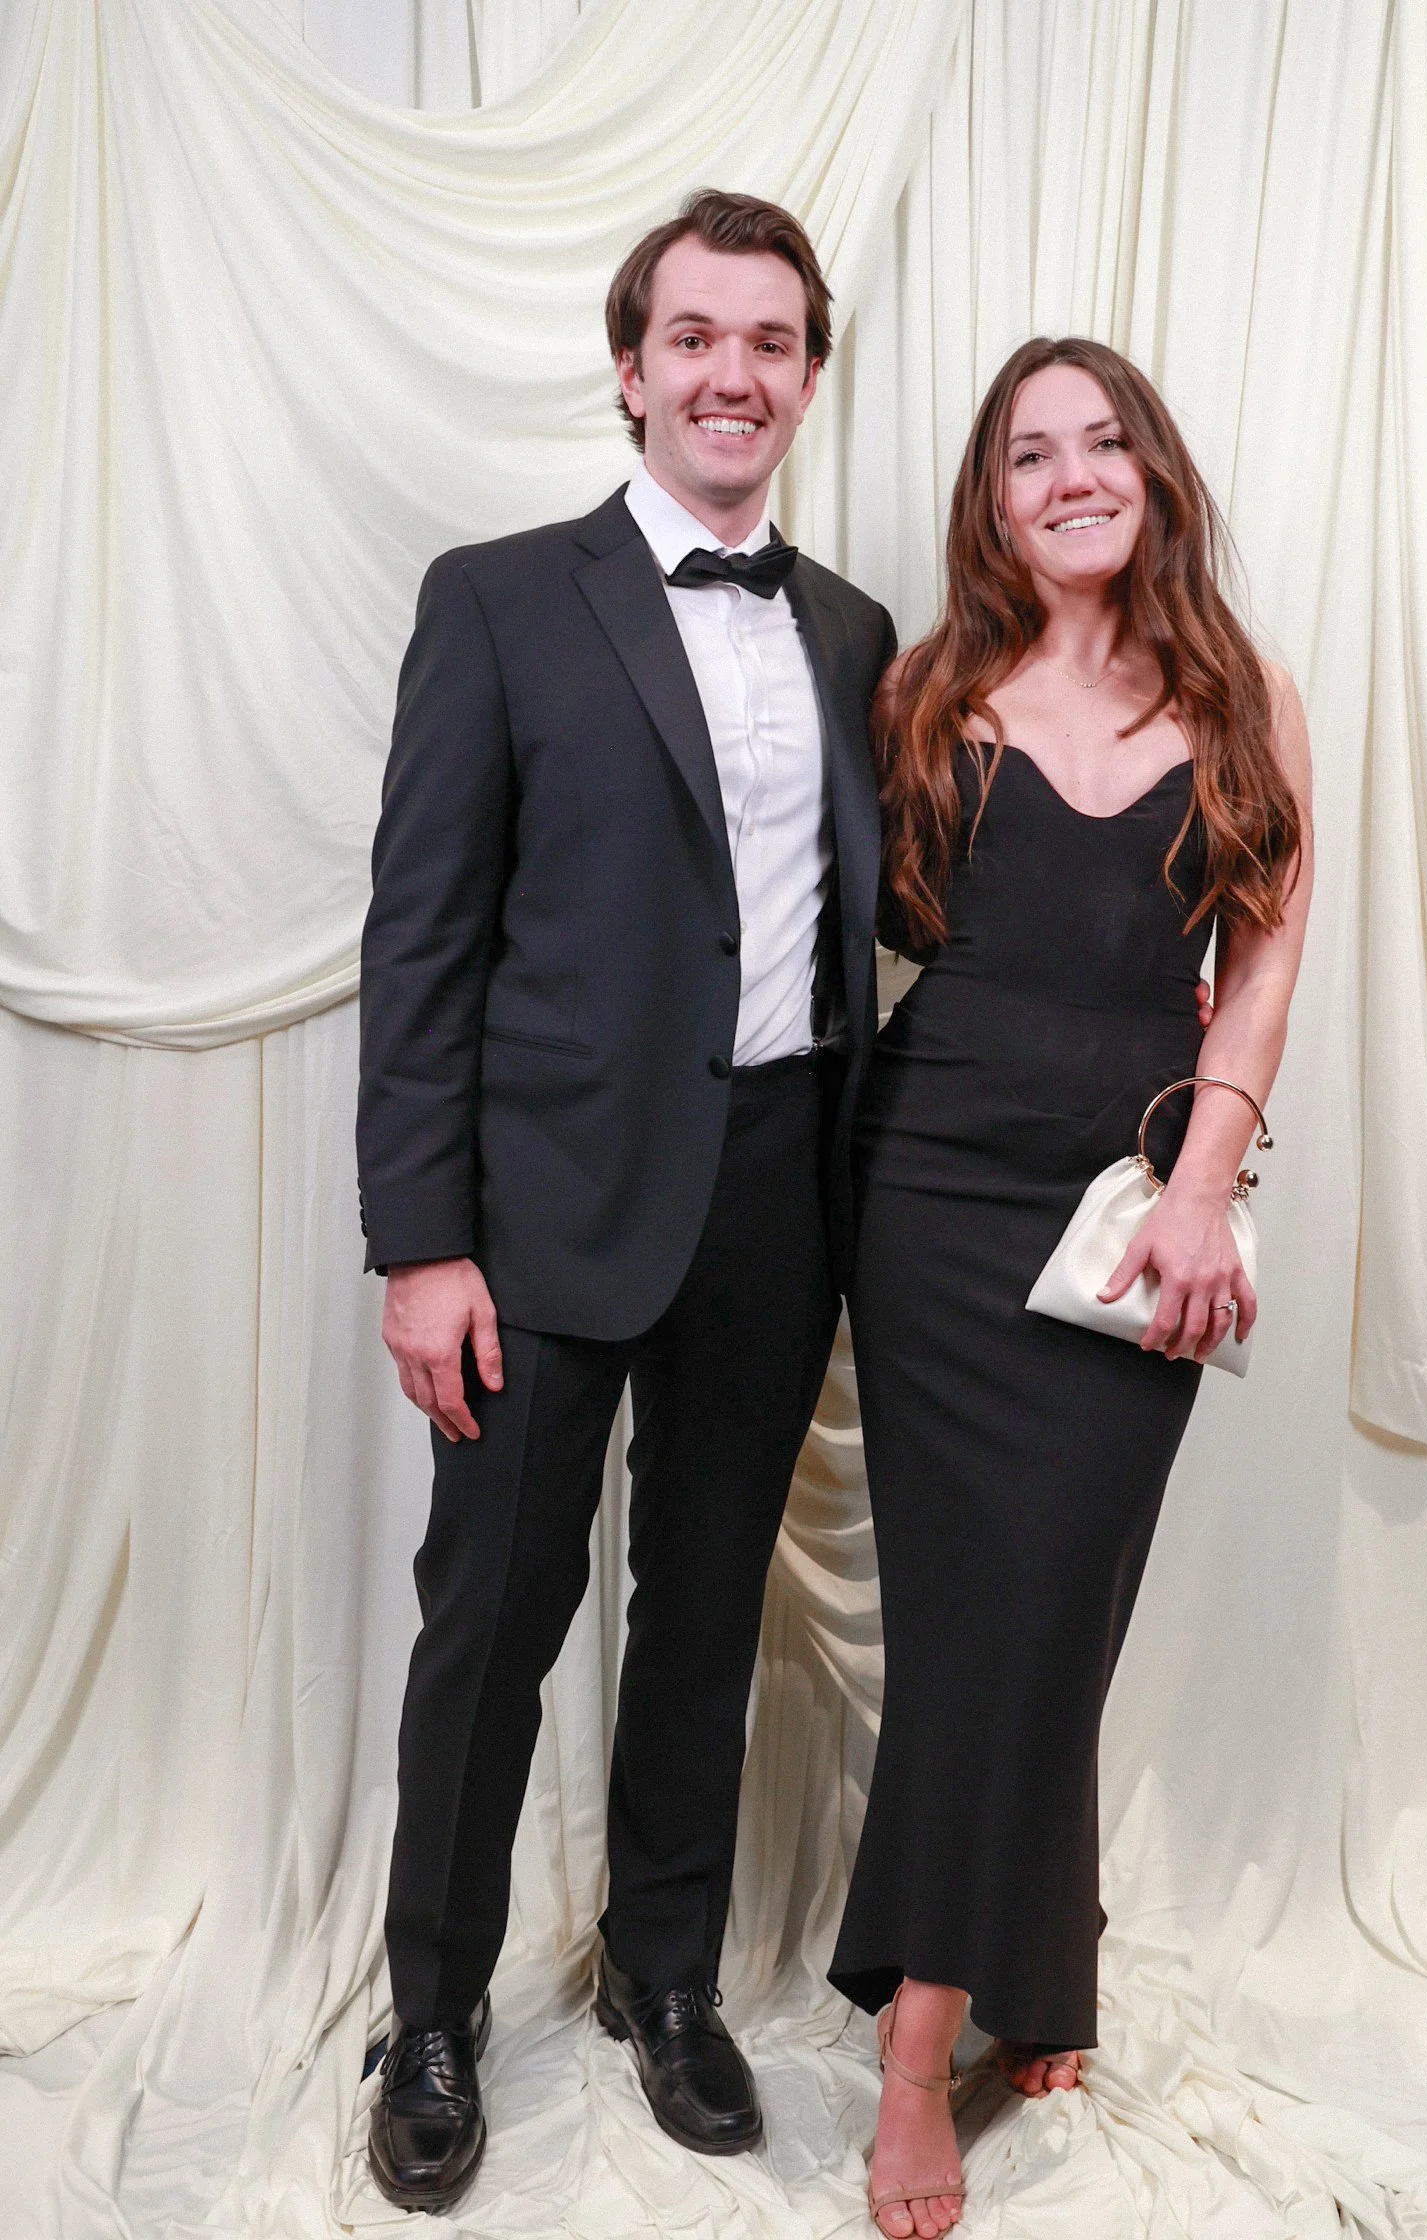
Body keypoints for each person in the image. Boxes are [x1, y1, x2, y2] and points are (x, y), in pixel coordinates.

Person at [355, 189, 896, 2214]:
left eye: (768, 341)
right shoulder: (497, 600)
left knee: (699, 1624)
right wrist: (421, 1238)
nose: (730, 373)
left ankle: (661, 1978)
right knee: (487, 1625)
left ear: (807, 376)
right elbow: (422, 941)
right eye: (693, 337)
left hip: (775, 1199)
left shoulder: (850, 630)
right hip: (535, 1212)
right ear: (630, 363)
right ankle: (426, 2010)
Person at [828, 336, 1313, 2238]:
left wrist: (1204, 1190)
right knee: (981, 1616)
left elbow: (1263, 963)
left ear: (1156, 473)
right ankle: (965, 2016)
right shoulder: (929, 694)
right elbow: (843, 930)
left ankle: (978, 1980)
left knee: (1054, 1604)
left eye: (1104, 441)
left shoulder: (1251, 693)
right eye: (1032, 455)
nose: (1072, 475)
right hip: (928, 1191)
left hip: (1127, 1207)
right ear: (995, 501)